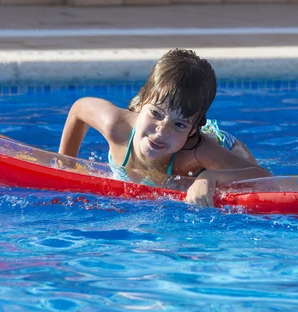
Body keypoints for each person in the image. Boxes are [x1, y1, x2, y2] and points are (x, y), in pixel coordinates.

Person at [58, 49, 273, 207]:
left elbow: (263, 177)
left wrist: (210, 177)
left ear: (191, 131)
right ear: (142, 103)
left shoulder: (196, 152)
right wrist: (65, 164)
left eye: (179, 124)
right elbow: (79, 109)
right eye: (155, 114)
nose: (161, 131)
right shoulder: (117, 127)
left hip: (222, 143)